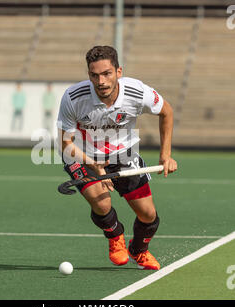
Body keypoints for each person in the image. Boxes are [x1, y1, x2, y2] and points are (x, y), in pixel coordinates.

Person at [57, 46, 177, 270]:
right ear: (89, 75)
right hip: (83, 155)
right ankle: (116, 237)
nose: (101, 81)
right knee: (102, 202)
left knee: (148, 215)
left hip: (124, 153)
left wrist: (165, 155)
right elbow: (65, 144)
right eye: (94, 75)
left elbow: (166, 112)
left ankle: (138, 250)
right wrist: (95, 166)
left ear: (119, 71)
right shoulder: (74, 97)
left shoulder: (137, 92)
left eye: (107, 73)